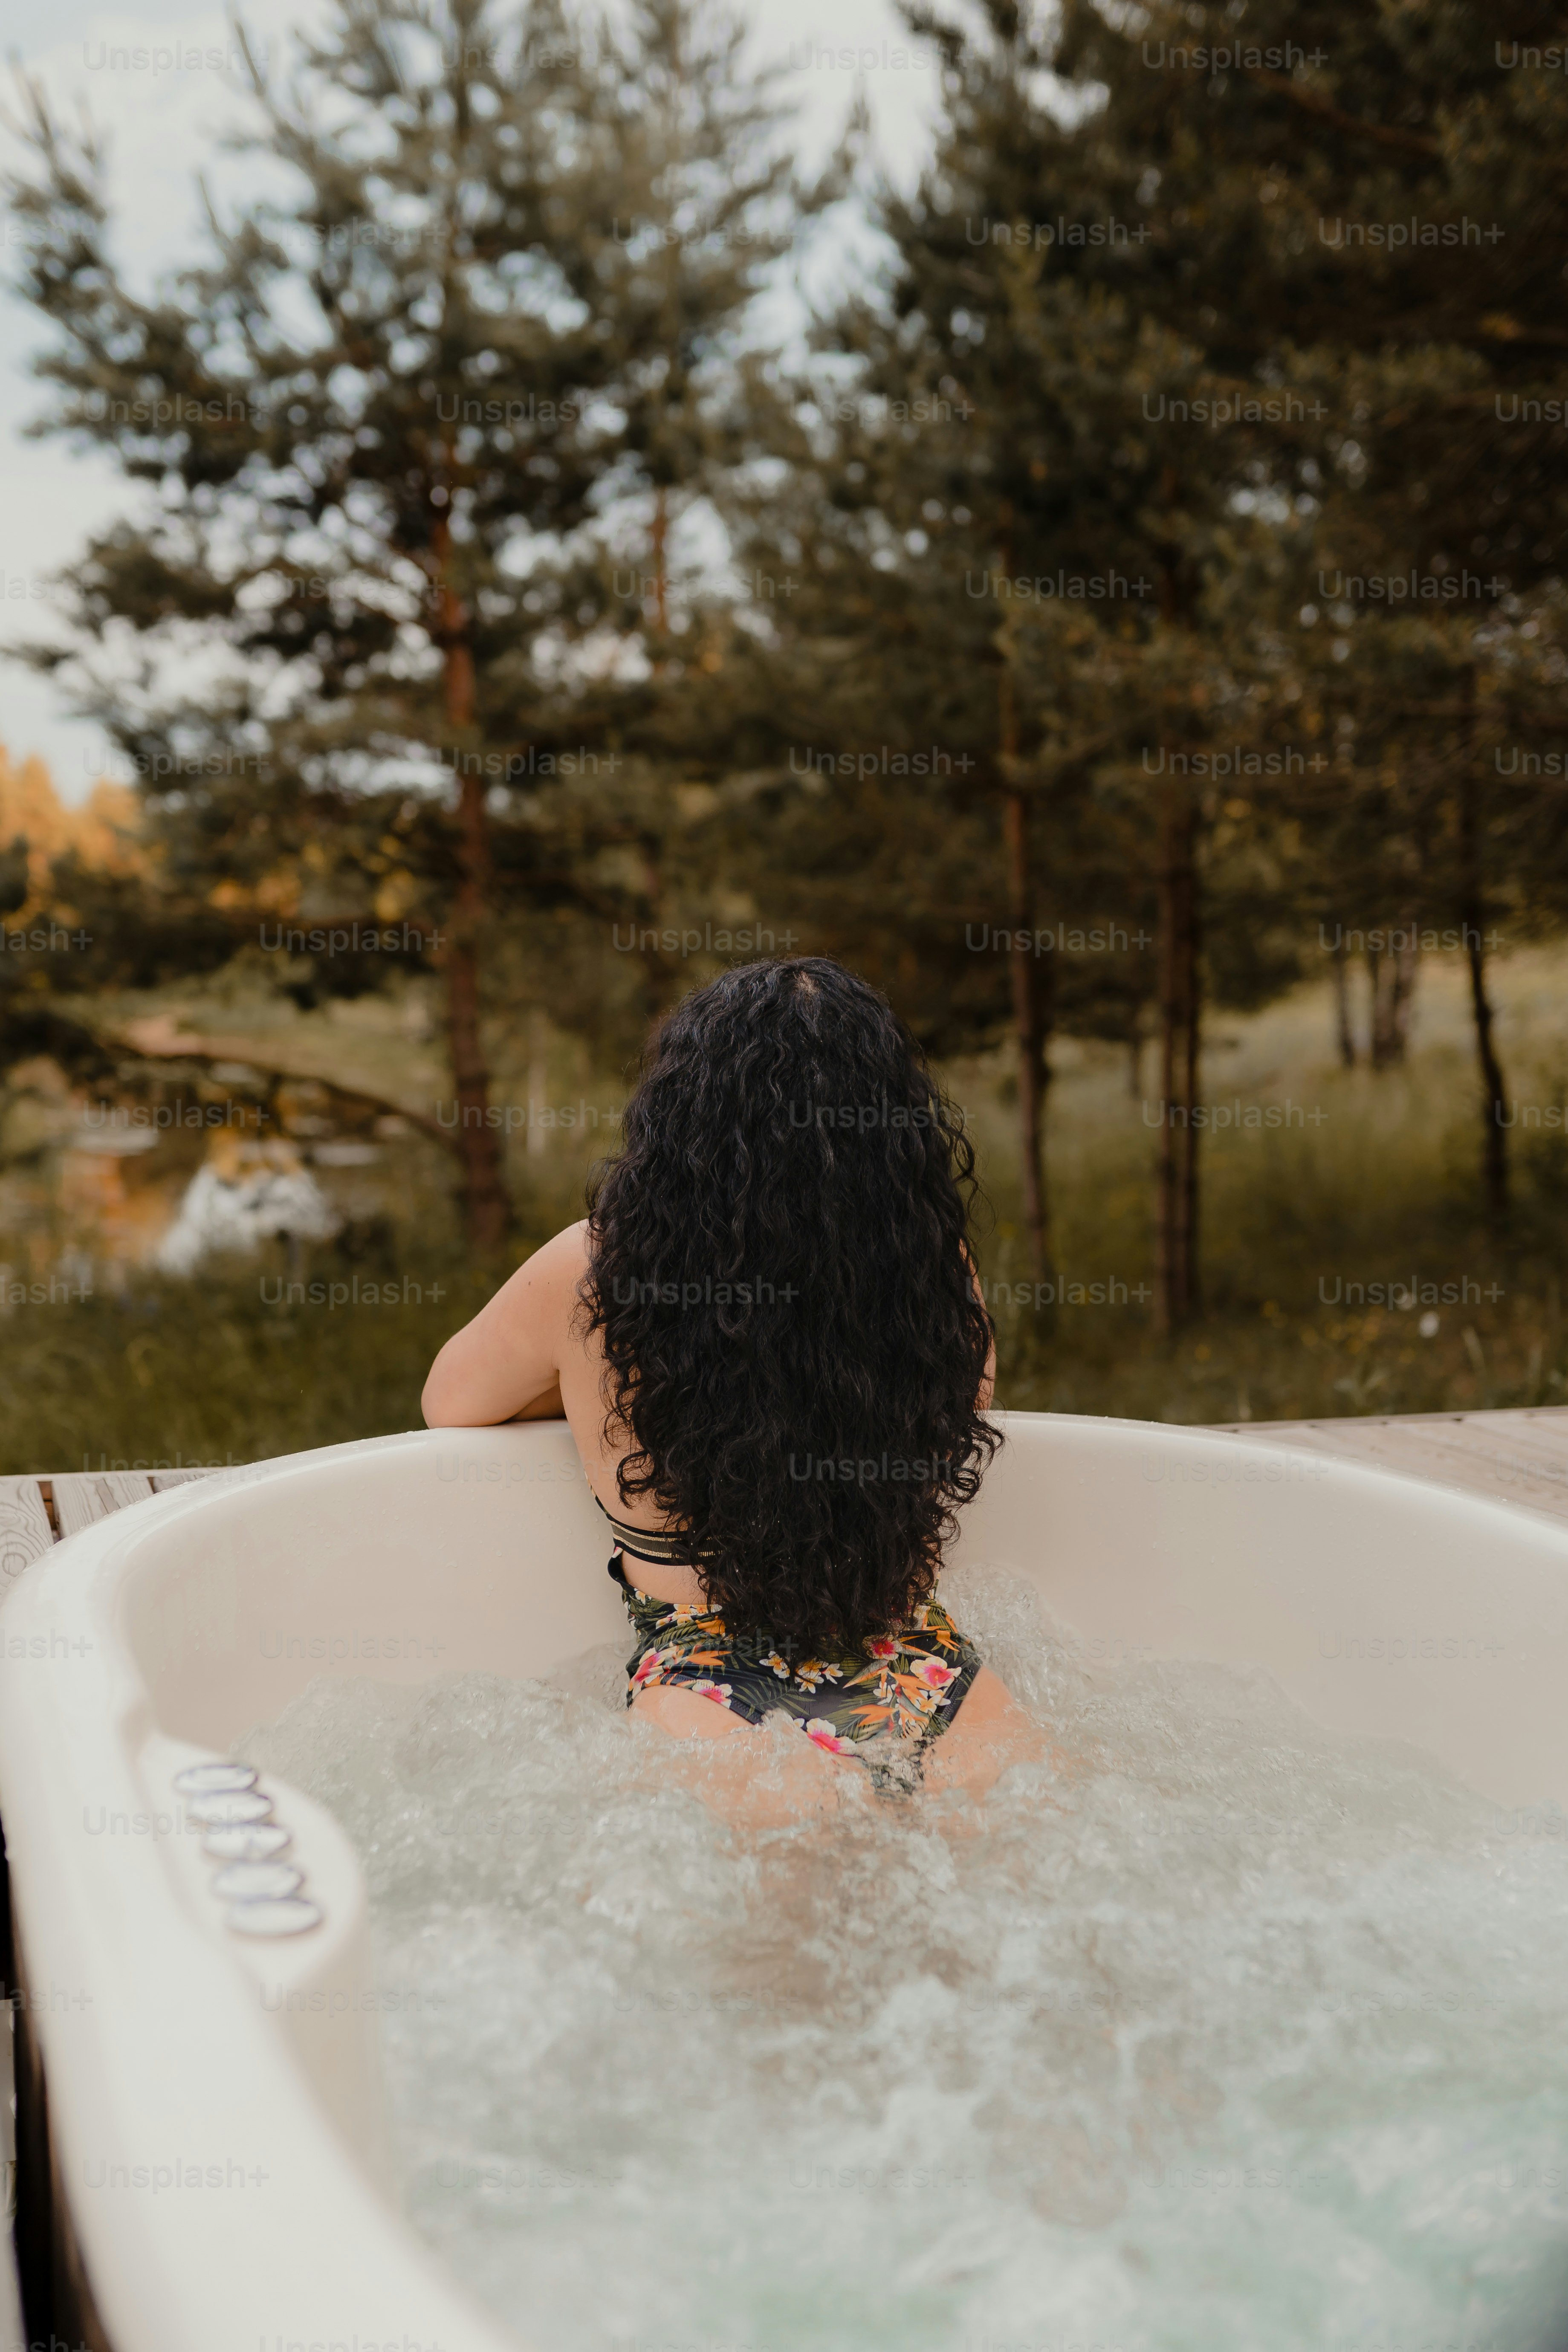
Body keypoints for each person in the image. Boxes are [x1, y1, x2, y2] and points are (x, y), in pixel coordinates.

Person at [422, 957, 1044, 1805]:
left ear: (683, 1117)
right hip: (928, 1682)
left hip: (713, 1707)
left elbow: (451, 1404)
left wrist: (585, 1384)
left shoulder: (593, 1274)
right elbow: (961, 1412)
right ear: (892, 1128)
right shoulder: (936, 1275)